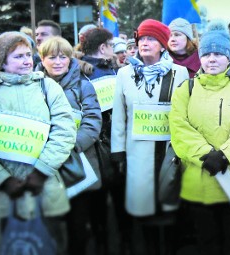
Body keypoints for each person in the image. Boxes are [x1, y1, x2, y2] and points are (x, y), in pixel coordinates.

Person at [169, 20, 230, 255]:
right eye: (207, 54)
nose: (212, 59)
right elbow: (179, 128)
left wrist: (224, 155)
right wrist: (206, 155)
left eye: (218, 54)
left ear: (228, 57)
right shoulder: (186, 90)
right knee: (206, 242)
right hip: (200, 180)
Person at [0, 31, 76, 254]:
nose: (27, 60)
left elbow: (64, 131)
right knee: (13, 246)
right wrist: (2, 179)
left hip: (46, 188)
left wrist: (41, 172)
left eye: (28, 55)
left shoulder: (48, 88)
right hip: (3, 195)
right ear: (1, 61)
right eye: (18, 56)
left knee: (53, 244)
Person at [111, 19, 189, 255]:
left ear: (163, 45)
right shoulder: (124, 74)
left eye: (151, 39)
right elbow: (119, 115)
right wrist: (118, 152)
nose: (144, 43)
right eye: (141, 39)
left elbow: (185, 114)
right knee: (144, 210)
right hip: (138, 153)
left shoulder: (179, 73)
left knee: (170, 207)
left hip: (168, 152)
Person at [36, 37, 104, 255]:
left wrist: (67, 147)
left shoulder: (84, 86)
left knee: (78, 226)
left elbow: (93, 122)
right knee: (51, 226)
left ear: (70, 59)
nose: (57, 62)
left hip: (78, 163)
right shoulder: (32, 85)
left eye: (62, 57)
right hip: (44, 165)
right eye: (51, 57)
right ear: (42, 59)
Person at [80, 27, 133, 255]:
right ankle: (121, 243)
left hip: (100, 146)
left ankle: (106, 242)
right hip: (106, 144)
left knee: (100, 202)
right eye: (112, 46)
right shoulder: (88, 73)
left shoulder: (112, 70)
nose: (114, 51)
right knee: (112, 200)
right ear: (103, 48)